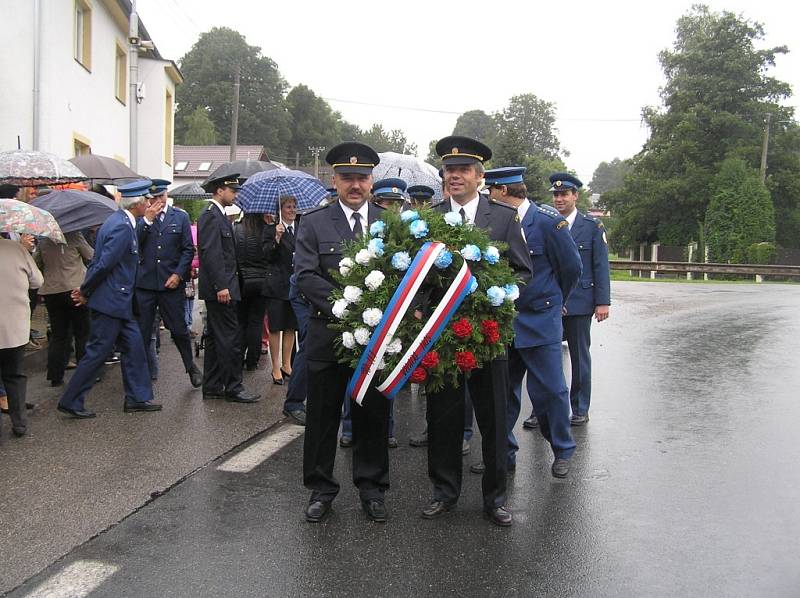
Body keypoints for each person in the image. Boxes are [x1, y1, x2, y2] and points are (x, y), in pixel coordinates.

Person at [422, 136, 532, 527]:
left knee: (494, 419)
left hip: (487, 335)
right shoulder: (428, 218)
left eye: (463, 170)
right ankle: (444, 493)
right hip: (443, 336)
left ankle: (495, 498)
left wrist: (499, 295)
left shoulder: (502, 218)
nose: (455, 176)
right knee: (443, 419)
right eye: (449, 170)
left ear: (480, 176)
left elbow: (522, 271)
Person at [295, 141, 390, 523]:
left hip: (379, 338)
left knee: (373, 414)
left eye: (362, 177)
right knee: (322, 416)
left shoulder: (390, 222)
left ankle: (372, 488)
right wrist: (349, 306)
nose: (355, 184)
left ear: (371, 181)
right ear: (333, 180)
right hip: (327, 333)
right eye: (347, 177)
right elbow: (305, 275)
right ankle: (321, 489)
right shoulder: (313, 222)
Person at [471, 166, 582, 478]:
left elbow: (571, 268)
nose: (487, 199)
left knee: (551, 390)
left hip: (540, 318)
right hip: (505, 321)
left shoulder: (548, 223)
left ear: (504, 191)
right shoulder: (492, 223)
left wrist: (557, 300)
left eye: (490, 192)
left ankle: (562, 448)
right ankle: (502, 453)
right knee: (502, 393)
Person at [57, 179, 161, 418]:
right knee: (98, 352)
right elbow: (103, 264)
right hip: (111, 302)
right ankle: (71, 400)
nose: (149, 203)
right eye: (146, 200)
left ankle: (137, 398)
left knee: (134, 348)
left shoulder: (122, 222)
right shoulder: (121, 226)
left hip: (120, 302)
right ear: (137, 204)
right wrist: (85, 291)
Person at [550, 172, 610, 425]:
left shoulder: (591, 226)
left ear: (575, 196)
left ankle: (580, 407)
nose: (559, 199)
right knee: (546, 357)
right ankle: (544, 408)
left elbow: (600, 265)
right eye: (556, 195)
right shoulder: (547, 222)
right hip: (551, 301)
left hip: (580, 301)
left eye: (564, 194)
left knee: (579, 356)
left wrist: (602, 301)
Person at [197, 174, 260, 404]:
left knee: (214, 338)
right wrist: (222, 286)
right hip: (221, 289)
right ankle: (234, 387)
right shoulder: (211, 216)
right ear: (219, 190)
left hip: (221, 287)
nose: (236, 195)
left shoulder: (218, 216)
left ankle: (212, 385)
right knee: (230, 338)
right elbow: (211, 253)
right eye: (233, 191)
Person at [135, 179, 202, 387]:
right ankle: (142, 374)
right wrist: (146, 221)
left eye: (161, 196)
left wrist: (178, 274)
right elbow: (134, 244)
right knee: (143, 332)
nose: (158, 201)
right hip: (145, 285)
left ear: (167, 196)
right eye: (153, 197)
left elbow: (187, 249)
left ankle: (190, 367)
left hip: (170, 285)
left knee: (179, 330)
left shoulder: (180, 217)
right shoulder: (141, 219)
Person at [0, 233, 43, 439]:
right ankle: (19, 423)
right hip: (15, 325)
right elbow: (38, 281)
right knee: (14, 375)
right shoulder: (16, 248)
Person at [37, 231, 94, 387]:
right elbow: (91, 256)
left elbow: (37, 264)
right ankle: (85, 374)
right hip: (74, 288)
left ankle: (55, 375)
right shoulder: (75, 236)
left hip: (51, 291)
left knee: (58, 334)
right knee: (82, 332)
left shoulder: (44, 241)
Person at [263, 196, 298, 382]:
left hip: (294, 285)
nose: (292, 210)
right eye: (288, 207)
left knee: (291, 326)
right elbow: (267, 255)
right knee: (276, 327)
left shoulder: (300, 228)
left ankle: (287, 364)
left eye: (294, 207)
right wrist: (276, 237)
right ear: (280, 210)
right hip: (276, 285)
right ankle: (275, 367)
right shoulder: (270, 230)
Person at [234, 212, 270, 371]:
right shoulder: (267, 230)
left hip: (241, 281)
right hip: (262, 281)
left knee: (241, 321)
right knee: (256, 322)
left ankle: (239, 355)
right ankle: (252, 360)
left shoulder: (236, 229)